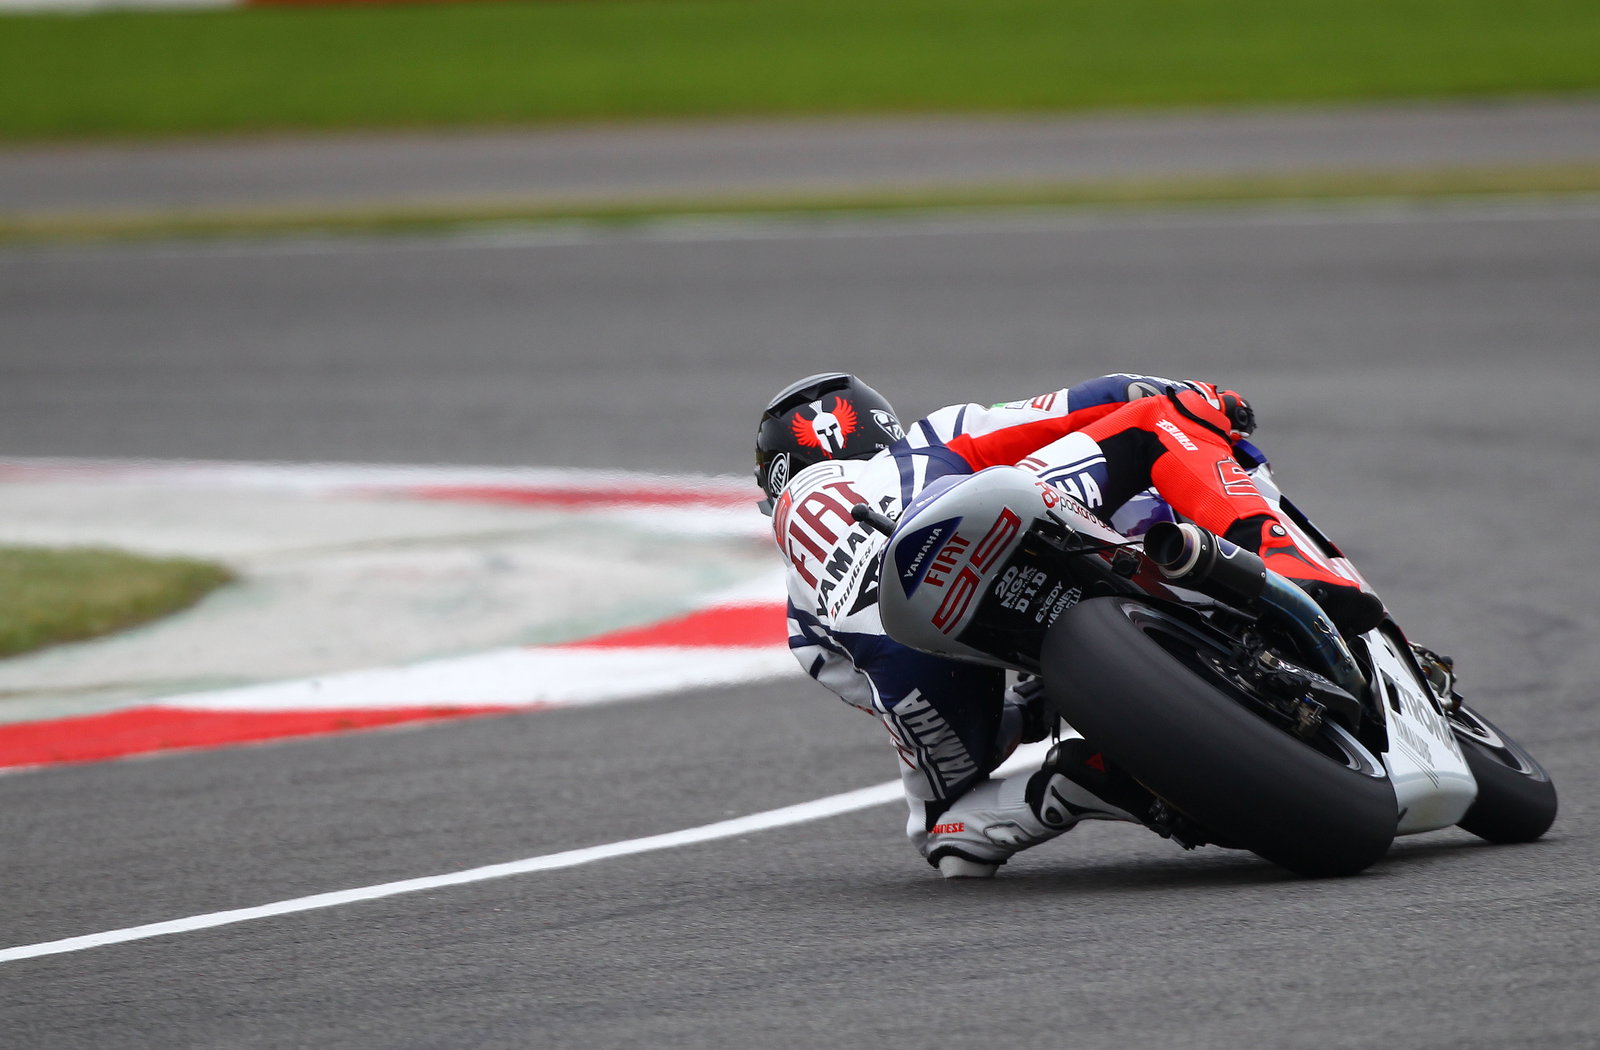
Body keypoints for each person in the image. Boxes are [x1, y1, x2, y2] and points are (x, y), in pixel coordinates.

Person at [755, 371, 1384, 878]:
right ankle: (1294, 571)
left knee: (949, 835)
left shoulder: (798, 620)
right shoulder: (924, 438)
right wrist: (1204, 402)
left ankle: (1079, 783)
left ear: (773, 486)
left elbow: (889, 702)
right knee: (1155, 423)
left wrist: (1024, 715)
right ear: (879, 423)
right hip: (982, 522)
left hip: (908, 637)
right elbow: (1093, 401)